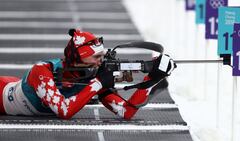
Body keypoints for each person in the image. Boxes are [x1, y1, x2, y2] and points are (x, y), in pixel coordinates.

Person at [0, 29, 176, 120]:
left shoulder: (92, 78)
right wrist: (98, 84)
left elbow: (126, 111)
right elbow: (64, 111)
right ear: (79, 59)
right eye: (97, 57)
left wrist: (152, 78)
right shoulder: (41, 71)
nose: (101, 62)